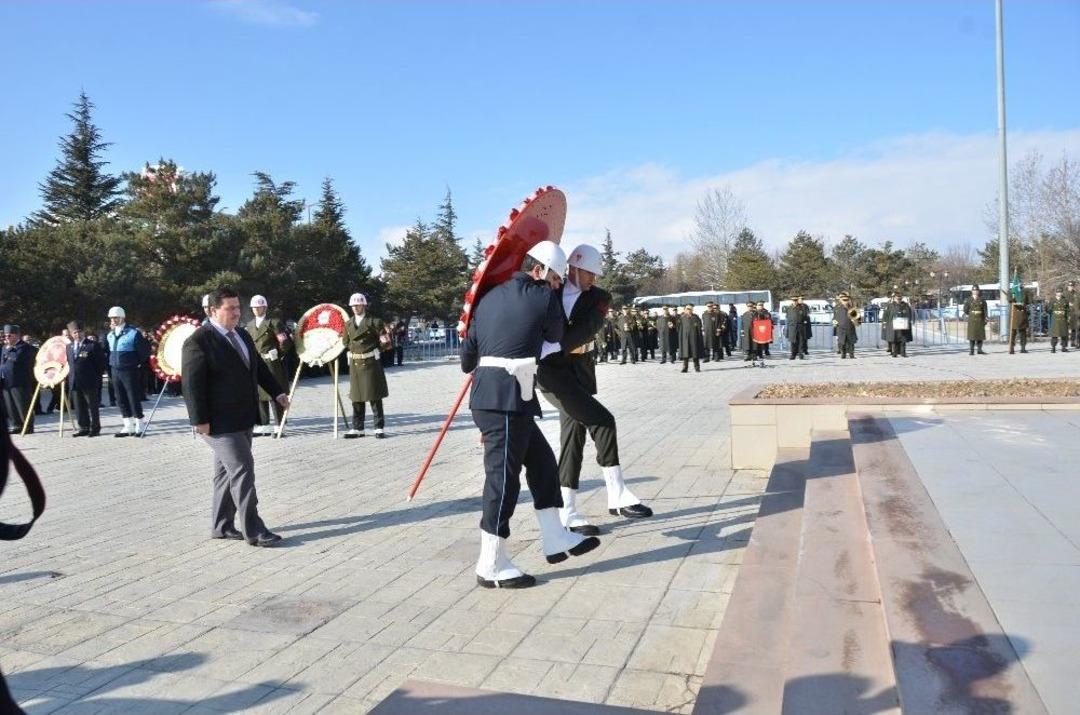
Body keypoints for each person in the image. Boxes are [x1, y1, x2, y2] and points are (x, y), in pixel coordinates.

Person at [462, 241, 599, 588]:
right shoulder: (542, 297)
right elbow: (556, 334)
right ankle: (490, 563)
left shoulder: (487, 298)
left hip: (497, 397)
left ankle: (555, 537)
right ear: (540, 271)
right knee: (503, 481)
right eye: (556, 279)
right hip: (506, 399)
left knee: (541, 463)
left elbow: (467, 359)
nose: (558, 286)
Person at [537, 243, 654, 537]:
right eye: (589, 273)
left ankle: (568, 508)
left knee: (573, 435)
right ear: (573, 268)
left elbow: (588, 329)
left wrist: (554, 345)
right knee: (601, 420)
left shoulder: (600, 297)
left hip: (577, 371)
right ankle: (615, 493)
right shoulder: (550, 287)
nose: (594, 279)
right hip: (550, 374)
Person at [182, 286, 289, 547]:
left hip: (242, 417)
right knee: (242, 469)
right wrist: (199, 421)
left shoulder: (241, 334)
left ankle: (222, 525)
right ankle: (254, 529)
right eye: (229, 309)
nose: (236, 313)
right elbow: (191, 385)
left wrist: (277, 393)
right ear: (212, 310)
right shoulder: (198, 341)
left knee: (224, 473)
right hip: (217, 423)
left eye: (237, 308)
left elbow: (258, 368)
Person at [244, 295, 292, 436]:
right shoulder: (249, 325)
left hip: (271, 363)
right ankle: (263, 424)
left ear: (265, 307)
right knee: (259, 394)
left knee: (275, 394)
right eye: (254, 308)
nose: (257, 310)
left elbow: (284, 342)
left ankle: (279, 425)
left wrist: (278, 354)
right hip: (257, 362)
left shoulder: (274, 323)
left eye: (259, 307)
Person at [343, 293, 390, 439]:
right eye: (353, 306)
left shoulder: (375, 322)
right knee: (357, 397)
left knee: (374, 396)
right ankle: (358, 428)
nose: (355, 308)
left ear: (363, 305)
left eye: (358, 305)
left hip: (370, 362)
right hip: (355, 363)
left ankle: (378, 427)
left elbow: (386, 341)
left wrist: (378, 349)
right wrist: (352, 349)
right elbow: (345, 341)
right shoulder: (348, 324)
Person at [105, 306, 151, 437]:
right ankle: (128, 425)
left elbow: (144, 351)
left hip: (129, 370)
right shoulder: (110, 335)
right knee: (120, 398)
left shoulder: (133, 333)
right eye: (111, 318)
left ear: (122, 318)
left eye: (115, 318)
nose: (112, 320)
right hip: (115, 369)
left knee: (133, 397)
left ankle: (139, 425)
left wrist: (136, 364)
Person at [66, 321, 107, 437]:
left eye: (79, 332)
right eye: (74, 332)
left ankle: (95, 428)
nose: (77, 334)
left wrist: (95, 377)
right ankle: (83, 427)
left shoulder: (92, 345)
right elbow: (70, 363)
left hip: (89, 381)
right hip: (75, 382)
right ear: (71, 334)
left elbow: (100, 364)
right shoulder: (69, 347)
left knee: (93, 406)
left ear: (83, 332)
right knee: (79, 407)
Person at [1, 325, 37, 435]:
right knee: (11, 405)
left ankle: (28, 426)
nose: (6, 338)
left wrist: (8, 351)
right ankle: (16, 425)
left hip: (19, 381)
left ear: (16, 335)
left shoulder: (24, 346)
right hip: (6, 381)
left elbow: (17, 358)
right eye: (5, 336)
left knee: (23, 405)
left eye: (9, 335)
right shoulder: (4, 348)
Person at [882, 291, 913, 358]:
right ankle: (894, 353)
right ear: (895, 298)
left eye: (900, 297)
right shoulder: (890, 305)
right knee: (894, 340)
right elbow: (886, 315)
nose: (899, 299)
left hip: (903, 325)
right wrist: (885, 323)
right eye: (897, 297)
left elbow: (909, 313)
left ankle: (903, 353)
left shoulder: (905, 305)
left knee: (903, 340)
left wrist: (909, 321)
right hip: (893, 325)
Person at [677, 303, 703, 373]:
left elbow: (699, 327)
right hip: (685, 338)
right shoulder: (682, 318)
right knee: (686, 353)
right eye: (688, 309)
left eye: (691, 309)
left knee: (695, 353)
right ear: (685, 310)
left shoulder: (696, 317)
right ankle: (685, 367)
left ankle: (697, 367)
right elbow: (678, 328)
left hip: (694, 338)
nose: (689, 310)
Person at [964, 285, 989, 355]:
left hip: (980, 318)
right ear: (972, 291)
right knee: (972, 335)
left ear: (978, 291)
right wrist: (970, 313)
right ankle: (971, 350)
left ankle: (979, 350)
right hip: (972, 319)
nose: (975, 291)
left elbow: (985, 309)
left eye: (976, 290)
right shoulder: (968, 299)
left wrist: (986, 317)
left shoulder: (982, 299)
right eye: (974, 290)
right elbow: (965, 309)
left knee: (980, 335)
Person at [833, 292, 858, 359]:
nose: (845, 302)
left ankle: (851, 354)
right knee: (842, 342)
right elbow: (834, 317)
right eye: (844, 300)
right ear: (841, 300)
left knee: (851, 342)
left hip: (850, 327)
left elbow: (857, 319)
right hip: (841, 328)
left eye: (846, 300)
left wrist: (855, 321)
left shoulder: (852, 308)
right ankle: (843, 354)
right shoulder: (838, 308)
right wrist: (834, 322)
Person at [1048, 287, 1071, 353]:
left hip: (1063, 319)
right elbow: (1049, 309)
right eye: (1058, 292)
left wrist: (1068, 317)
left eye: (1060, 292)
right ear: (1056, 293)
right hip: (1056, 319)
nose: (1059, 293)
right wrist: (1048, 308)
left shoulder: (1065, 300)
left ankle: (1063, 347)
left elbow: (1067, 310)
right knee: (1054, 334)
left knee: (1064, 334)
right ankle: (1053, 347)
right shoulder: (1052, 300)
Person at [1008, 290, 1029, 354]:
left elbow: (1028, 302)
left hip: (1022, 315)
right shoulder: (1011, 292)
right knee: (1013, 333)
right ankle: (1011, 348)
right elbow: (1009, 300)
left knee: (1023, 332)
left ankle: (1023, 348)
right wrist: (1012, 298)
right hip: (1013, 315)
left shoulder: (1024, 293)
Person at [1067, 280, 1080, 349]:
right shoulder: (1065, 294)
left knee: (1077, 328)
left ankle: (1077, 342)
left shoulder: (1077, 294)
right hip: (1069, 313)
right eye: (1069, 286)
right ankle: (1072, 341)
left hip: (1076, 313)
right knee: (1072, 329)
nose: (1070, 287)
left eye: (1072, 286)